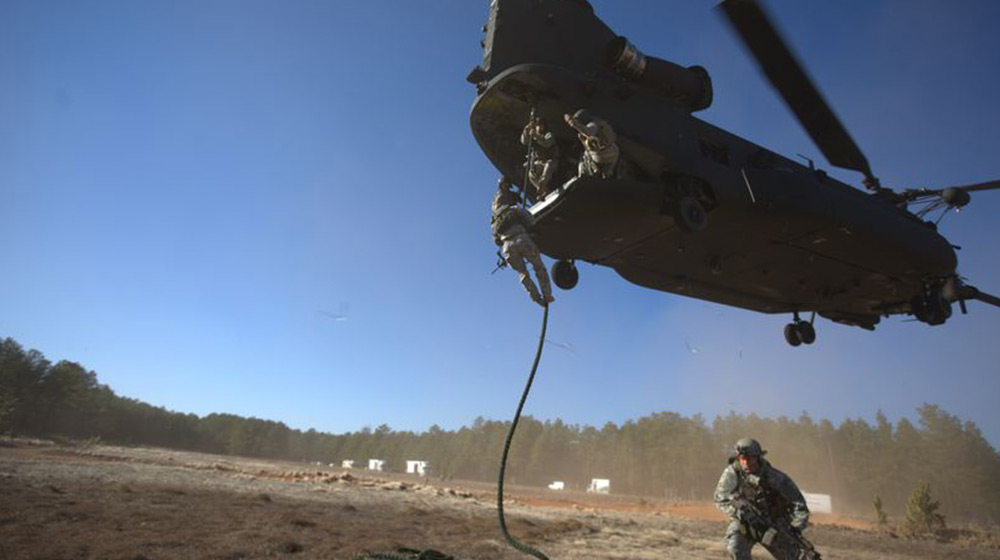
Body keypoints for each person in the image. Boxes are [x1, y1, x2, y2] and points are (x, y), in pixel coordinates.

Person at [713, 438, 818, 560]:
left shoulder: (776, 477)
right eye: (742, 458)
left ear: (757, 457)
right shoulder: (733, 472)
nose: (746, 462)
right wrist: (739, 512)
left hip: (773, 527)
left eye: (750, 458)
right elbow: (720, 498)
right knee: (735, 548)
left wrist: (795, 528)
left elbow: (799, 505)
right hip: (744, 523)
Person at [490, 177, 554, 307]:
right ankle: (547, 295)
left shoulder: (494, 223)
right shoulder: (514, 209)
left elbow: (496, 241)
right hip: (521, 239)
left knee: (523, 274)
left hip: (507, 248)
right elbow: (532, 222)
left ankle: (537, 299)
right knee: (539, 267)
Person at [564, 109, 620, 179]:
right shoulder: (601, 122)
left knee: (584, 157)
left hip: (602, 154)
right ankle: (608, 172)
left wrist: (572, 122)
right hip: (614, 153)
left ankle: (587, 175)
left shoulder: (593, 124)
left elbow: (588, 132)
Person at [520, 114, 560, 200]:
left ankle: (542, 183)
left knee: (548, 167)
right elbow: (524, 141)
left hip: (551, 160)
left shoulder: (548, 134)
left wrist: (535, 136)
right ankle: (545, 190)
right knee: (531, 174)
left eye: (541, 125)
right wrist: (527, 129)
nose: (539, 128)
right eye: (538, 126)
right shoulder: (533, 137)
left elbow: (546, 143)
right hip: (540, 162)